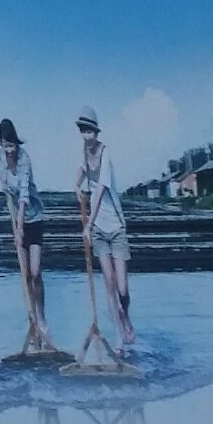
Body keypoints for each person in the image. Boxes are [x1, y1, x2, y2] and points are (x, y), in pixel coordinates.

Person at [75, 106, 135, 345]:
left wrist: (88, 223)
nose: (86, 136)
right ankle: (120, 337)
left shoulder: (105, 153)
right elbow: (81, 171)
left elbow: (100, 189)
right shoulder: (83, 151)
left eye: (89, 132)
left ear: (96, 132)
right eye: (83, 131)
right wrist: (76, 185)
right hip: (99, 230)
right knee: (108, 283)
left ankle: (125, 315)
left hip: (116, 227)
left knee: (122, 288)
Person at [0, 118, 50, 344]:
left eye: (12, 145)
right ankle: (31, 320)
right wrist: (2, 181)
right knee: (25, 275)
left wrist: (19, 228)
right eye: (6, 146)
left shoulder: (25, 160)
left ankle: (42, 318)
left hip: (32, 218)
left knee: (35, 272)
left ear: (17, 143)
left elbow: (24, 196)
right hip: (17, 219)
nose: (9, 150)